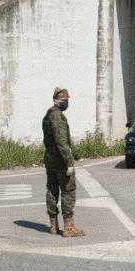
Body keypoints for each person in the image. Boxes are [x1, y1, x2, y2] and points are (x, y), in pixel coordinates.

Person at [43, 88, 85, 237]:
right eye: (65, 101)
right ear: (57, 101)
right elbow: (61, 142)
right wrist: (69, 162)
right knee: (68, 190)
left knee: (52, 188)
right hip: (60, 159)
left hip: (50, 157)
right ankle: (68, 227)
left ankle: (53, 225)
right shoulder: (57, 117)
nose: (66, 103)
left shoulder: (48, 115)